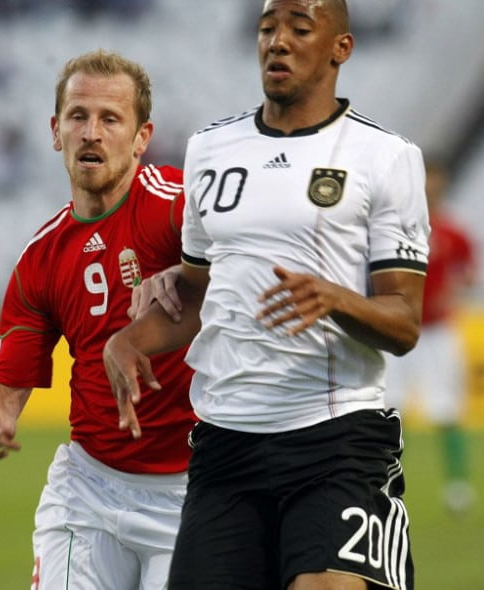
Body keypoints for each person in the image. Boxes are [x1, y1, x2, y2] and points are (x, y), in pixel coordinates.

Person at [103, 2, 430, 589]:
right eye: (267, 28)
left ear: (341, 48)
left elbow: (404, 321)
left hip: (335, 440)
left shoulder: (385, 158)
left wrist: (335, 298)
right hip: (225, 444)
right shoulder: (210, 150)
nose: (278, 41)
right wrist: (130, 340)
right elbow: (200, 293)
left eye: (300, 28)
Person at [0, 50, 196, 590]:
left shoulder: (181, 209)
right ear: (55, 131)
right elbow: (5, 384)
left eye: (110, 119)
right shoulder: (40, 259)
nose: (91, 132)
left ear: (142, 137)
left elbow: (249, 273)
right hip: (89, 492)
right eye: (78, 116)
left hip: (193, 491)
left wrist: (188, 272)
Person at [385, 157, 477, 515]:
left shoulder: (453, 232)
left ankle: (457, 486)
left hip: (437, 332)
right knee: (388, 409)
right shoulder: (396, 227)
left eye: (436, 181)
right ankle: (383, 480)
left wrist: (453, 290)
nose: (430, 188)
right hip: (397, 329)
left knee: (447, 410)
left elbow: (468, 274)